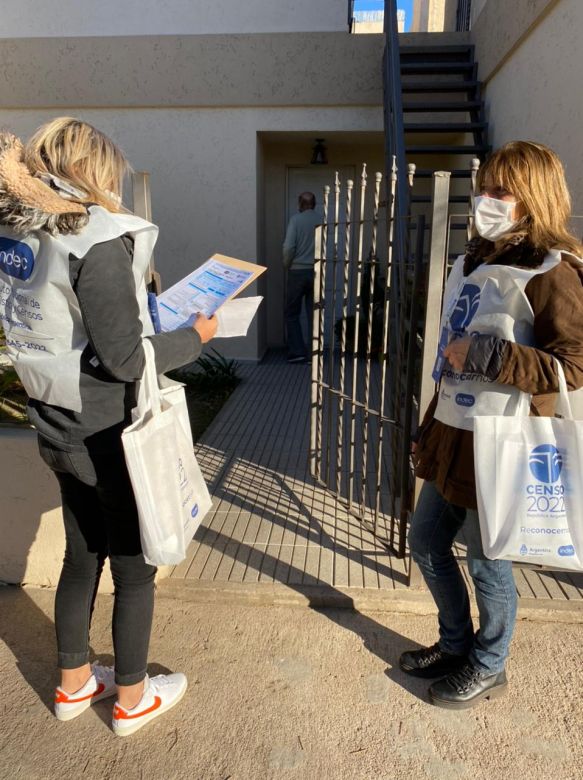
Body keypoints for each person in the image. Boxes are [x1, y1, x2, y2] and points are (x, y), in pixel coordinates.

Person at [0, 118, 217, 735]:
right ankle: (130, 699)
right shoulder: (92, 238)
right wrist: (195, 338)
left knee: (80, 553)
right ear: (91, 172)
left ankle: (72, 685)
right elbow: (125, 358)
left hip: (53, 420)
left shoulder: (20, 231)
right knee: (132, 567)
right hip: (106, 430)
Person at [399, 141, 583, 709]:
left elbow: (572, 368)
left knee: (487, 560)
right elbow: (447, 359)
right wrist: (430, 421)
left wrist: (484, 356)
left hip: (502, 440)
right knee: (426, 542)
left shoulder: (554, 271)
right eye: (485, 187)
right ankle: (455, 644)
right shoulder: (470, 261)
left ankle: (488, 663)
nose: (486, 199)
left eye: (501, 190)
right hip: (454, 430)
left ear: (532, 199)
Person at [283, 191, 321, 363]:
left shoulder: (295, 220)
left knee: (292, 313)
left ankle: (298, 352)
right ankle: (314, 354)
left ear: (300, 203)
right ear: (314, 203)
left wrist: (287, 265)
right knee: (314, 312)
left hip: (297, 272)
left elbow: (289, 247)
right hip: (317, 271)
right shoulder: (322, 220)